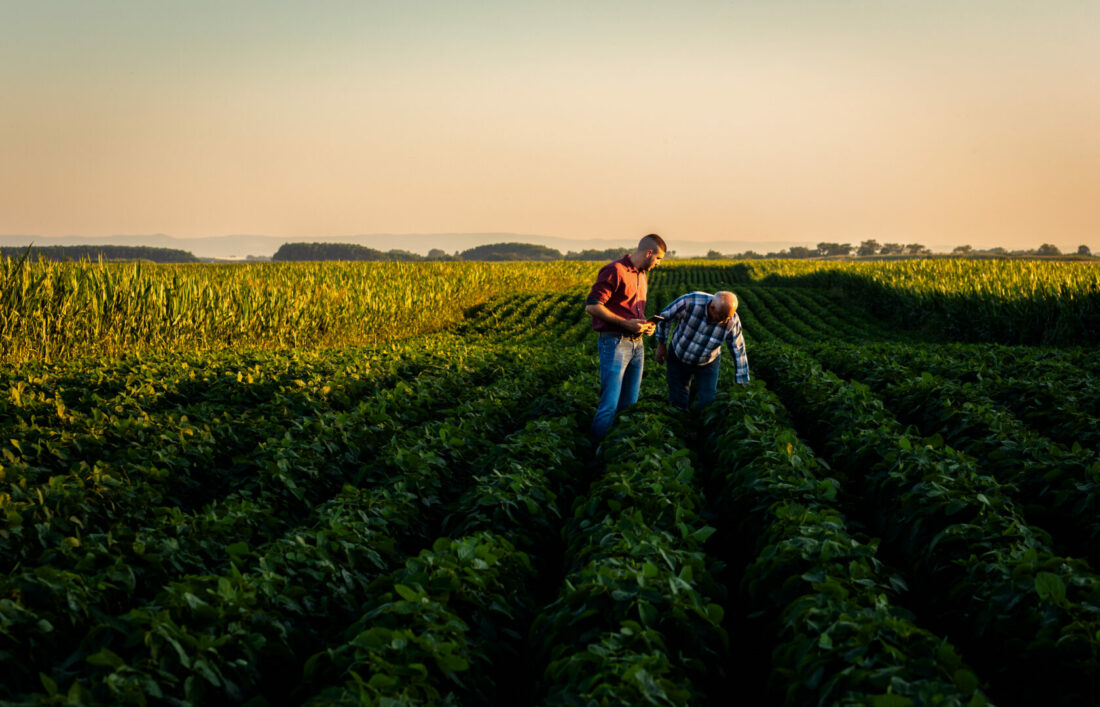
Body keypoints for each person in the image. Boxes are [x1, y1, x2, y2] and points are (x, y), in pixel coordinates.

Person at [584, 234, 667, 439]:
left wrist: (647, 326)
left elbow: (632, 314)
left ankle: (619, 449)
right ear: (649, 253)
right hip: (615, 343)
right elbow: (592, 306)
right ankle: (598, 456)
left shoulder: (642, 275)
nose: (658, 263)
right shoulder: (615, 270)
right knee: (609, 404)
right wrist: (625, 323)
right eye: (658, 259)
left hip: (637, 345)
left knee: (630, 404)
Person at [654, 290, 749, 412]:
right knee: (678, 398)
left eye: (728, 317)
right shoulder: (690, 302)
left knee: (708, 400)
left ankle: (703, 425)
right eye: (721, 316)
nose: (724, 320)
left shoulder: (732, 319)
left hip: (707, 361)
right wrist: (661, 344)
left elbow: (738, 348)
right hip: (679, 356)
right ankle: (682, 423)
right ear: (712, 306)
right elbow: (664, 318)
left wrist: (741, 378)